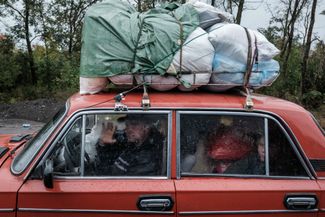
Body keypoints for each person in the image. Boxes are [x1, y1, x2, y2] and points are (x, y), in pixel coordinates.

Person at [95, 116, 164, 176]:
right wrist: (103, 144)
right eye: (127, 125)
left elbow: (117, 180)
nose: (128, 129)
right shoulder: (133, 145)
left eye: (134, 124)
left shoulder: (147, 156)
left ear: (147, 127)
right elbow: (111, 157)